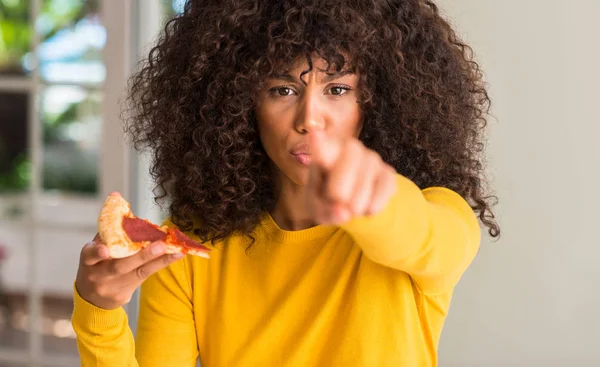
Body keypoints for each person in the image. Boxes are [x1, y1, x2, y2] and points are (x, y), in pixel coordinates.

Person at [71, 0, 500, 366]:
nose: (309, 119)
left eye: (337, 89)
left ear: (377, 102)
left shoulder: (439, 214)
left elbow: (420, 236)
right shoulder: (189, 243)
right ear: (239, 103)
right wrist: (100, 313)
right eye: (282, 89)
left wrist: (371, 196)